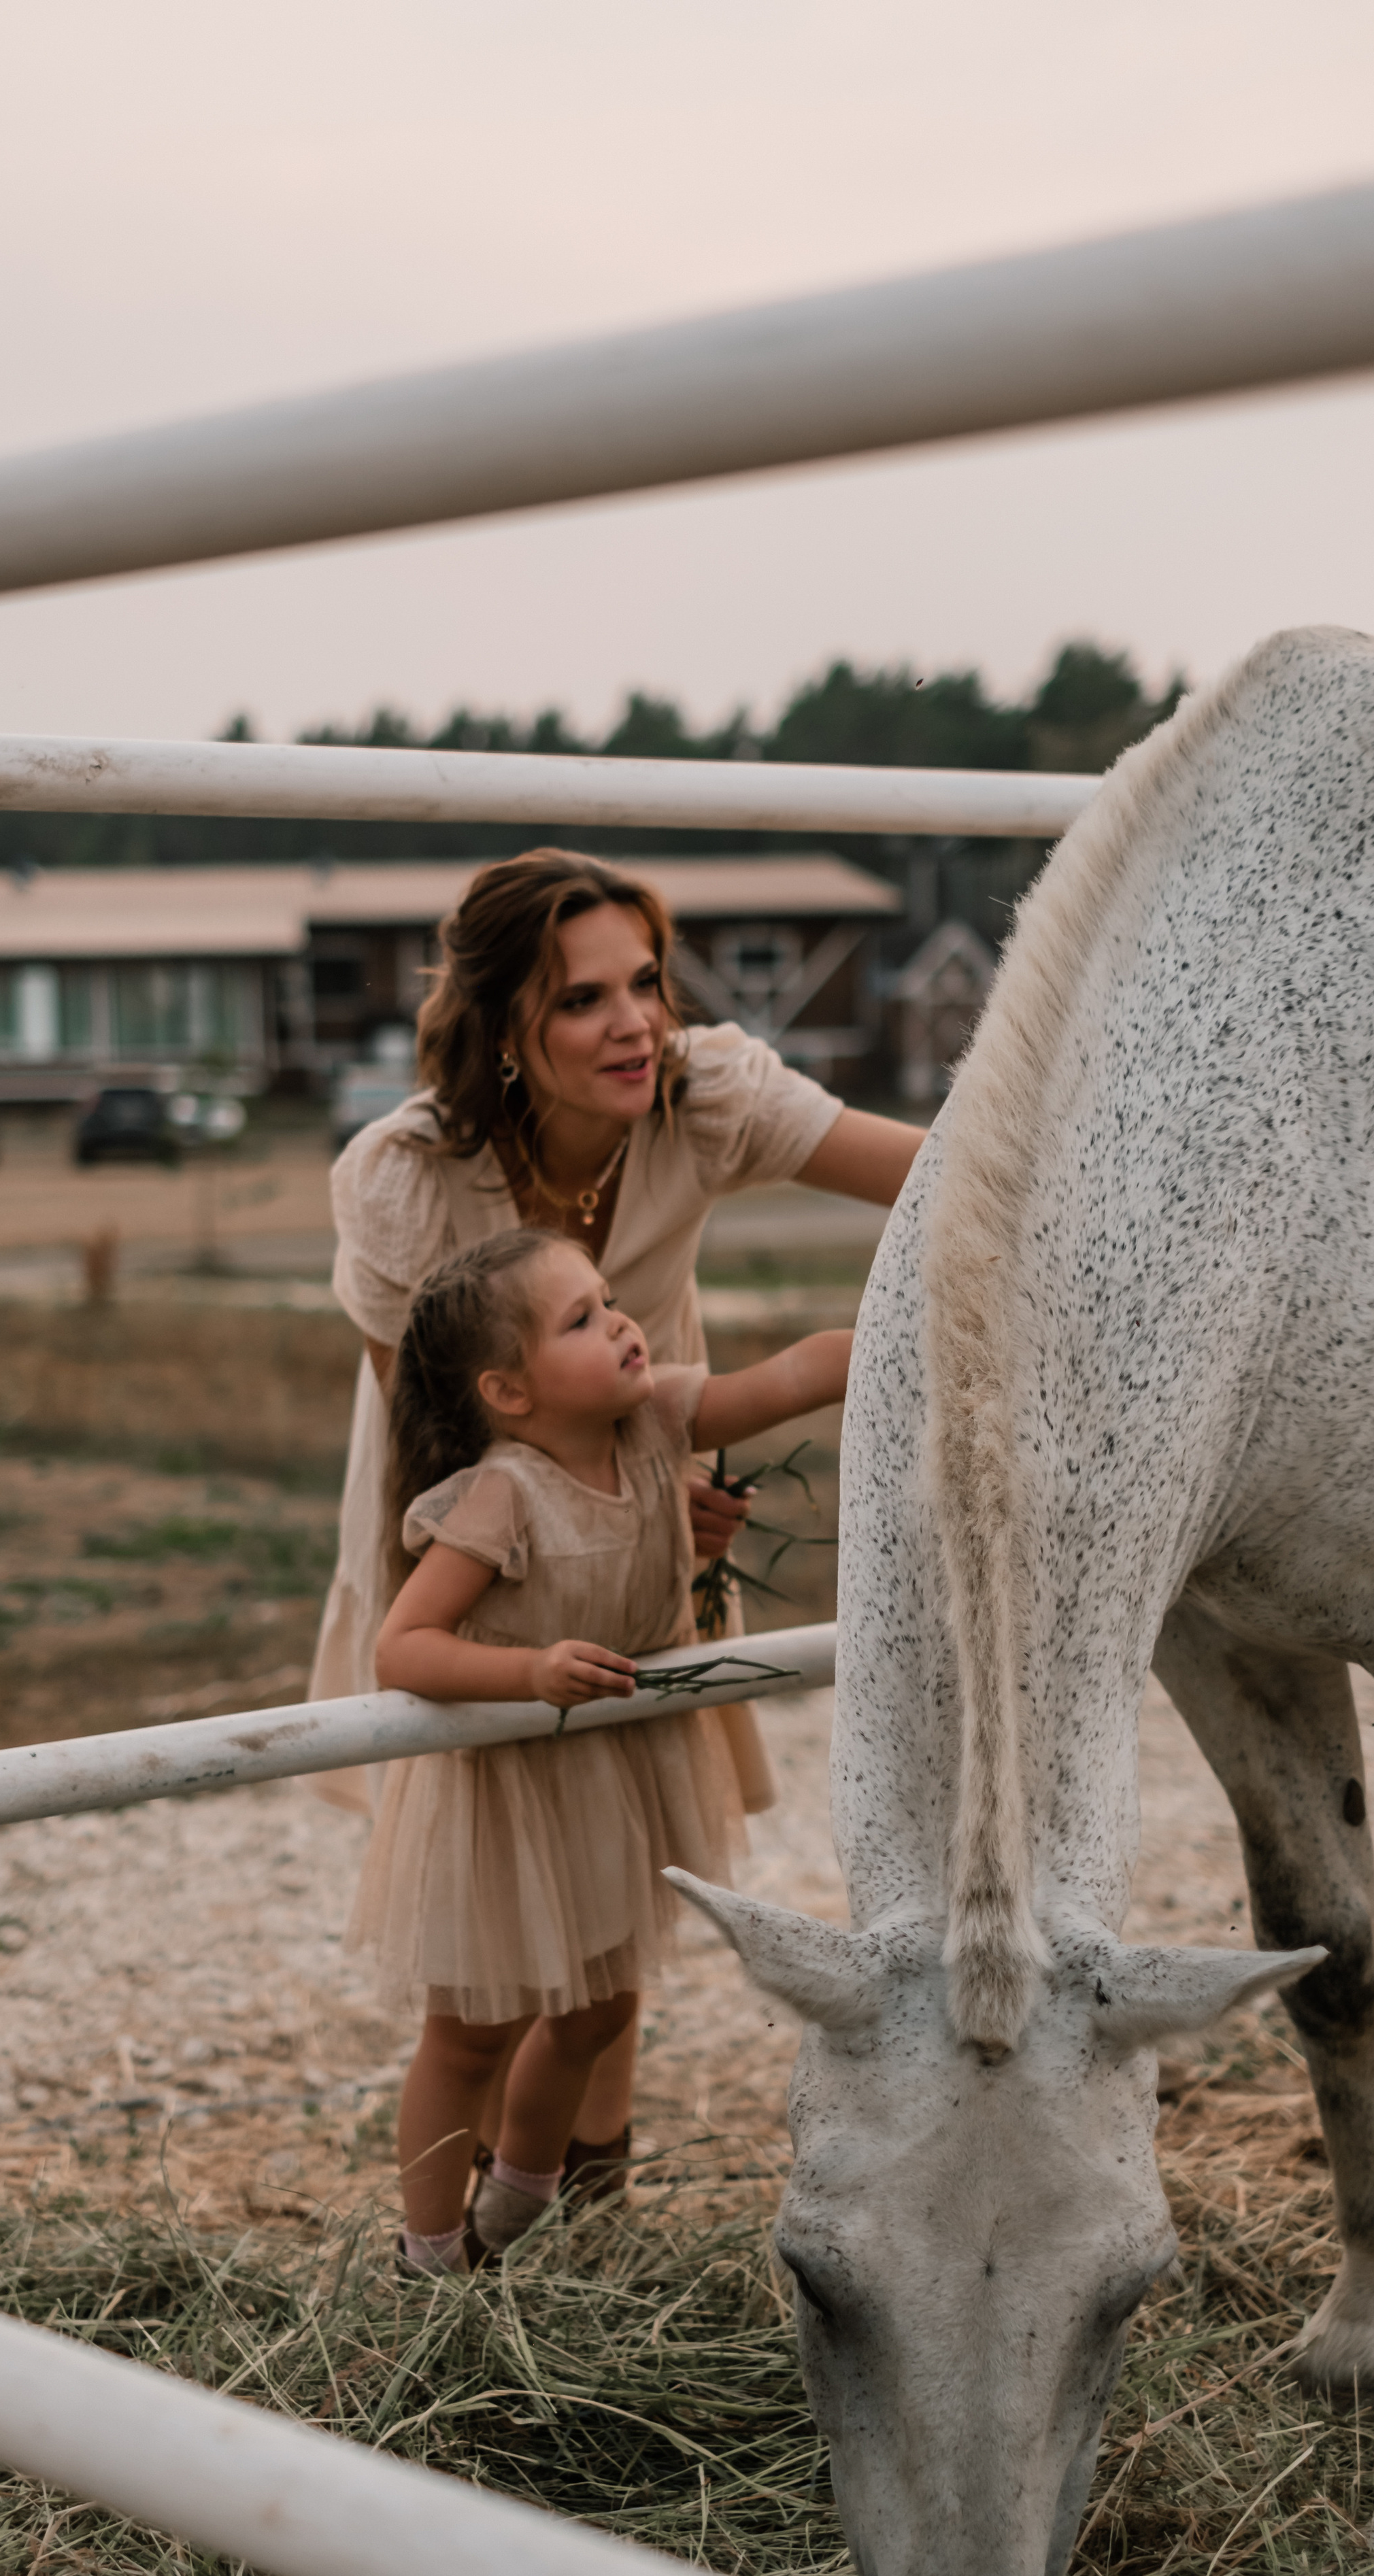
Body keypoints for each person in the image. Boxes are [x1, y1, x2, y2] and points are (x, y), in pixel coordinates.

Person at [315, 847, 924, 2184]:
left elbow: (950, 1176)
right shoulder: (406, 1179)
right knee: (496, 1906)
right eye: (583, 999)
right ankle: (452, 2225)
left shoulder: (704, 1099)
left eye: (645, 983)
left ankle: (588, 2193)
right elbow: (428, 1445)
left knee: (619, 1882)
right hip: (476, 1544)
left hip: (652, 1503)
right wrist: (611, 1515)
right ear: (504, 1028)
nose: (636, 1023)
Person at [349, 1226, 852, 2273]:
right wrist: (528, 1672)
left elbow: (793, 1376)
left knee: (597, 2015)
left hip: (614, 1773)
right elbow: (405, 1645)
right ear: (509, 1391)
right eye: (581, 1319)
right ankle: (428, 2262)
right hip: (509, 1790)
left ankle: (514, 2217)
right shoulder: (504, 1492)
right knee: (472, 2033)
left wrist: (912, 1324)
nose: (621, 1323)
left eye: (610, 1300)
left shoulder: (656, 1420)